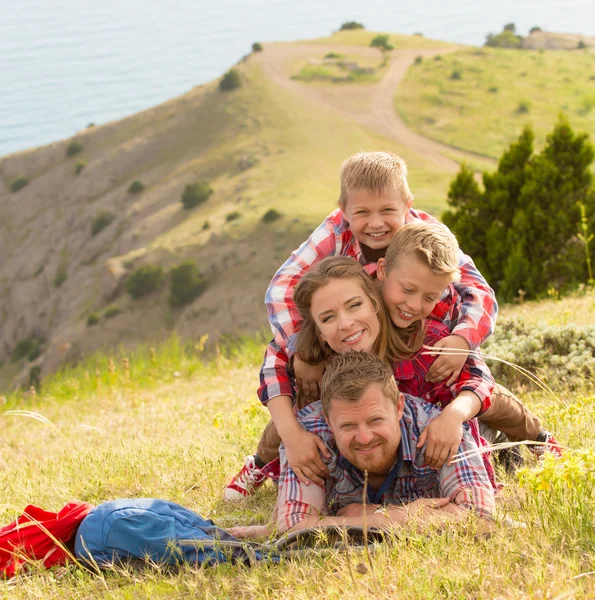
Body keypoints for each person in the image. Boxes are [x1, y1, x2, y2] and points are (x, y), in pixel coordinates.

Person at [225, 151, 497, 499]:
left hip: (403, 348)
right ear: (343, 210)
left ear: (408, 205)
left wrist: (463, 338)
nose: (376, 223)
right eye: (362, 213)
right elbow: (281, 291)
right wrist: (305, 351)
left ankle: (528, 440)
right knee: (305, 406)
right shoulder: (334, 238)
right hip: (344, 340)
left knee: (481, 393)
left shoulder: (427, 239)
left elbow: (476, 290)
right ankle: (262, 464)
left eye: (387, 211)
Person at [226, 254, 498, 499]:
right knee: (285, 425)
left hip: (428, 440)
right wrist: (293, 435)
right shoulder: (317, 353)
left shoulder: (422, 339)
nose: (346, 324)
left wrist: (453, 416)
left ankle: (535, 435)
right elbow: (273, 361)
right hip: (359, 447)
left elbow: (479, 377)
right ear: (319, 331)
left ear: (374, 303)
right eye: (329, 318)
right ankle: (260, 465)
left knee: (498, 405)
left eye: (355, 305)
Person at [236, 351, 496, 537]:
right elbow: (293, 529)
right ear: (327, 419)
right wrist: (399, 516)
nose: (364, 437)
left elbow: (480, 520)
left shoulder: (436, 428)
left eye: (375, 420)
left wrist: (349, 519)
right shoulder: (308, 434)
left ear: (398, 407)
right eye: (348, 426)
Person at [377, 221, 562, 464]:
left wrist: (461, 343)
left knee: (491, 399)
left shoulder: (446, 312)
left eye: (429, 297)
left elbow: (479, 379)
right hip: (409, 411)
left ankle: (536, 438)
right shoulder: (364, 305)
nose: (414, 305)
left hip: (457, 401)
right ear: (382, 271)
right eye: (408, 289)